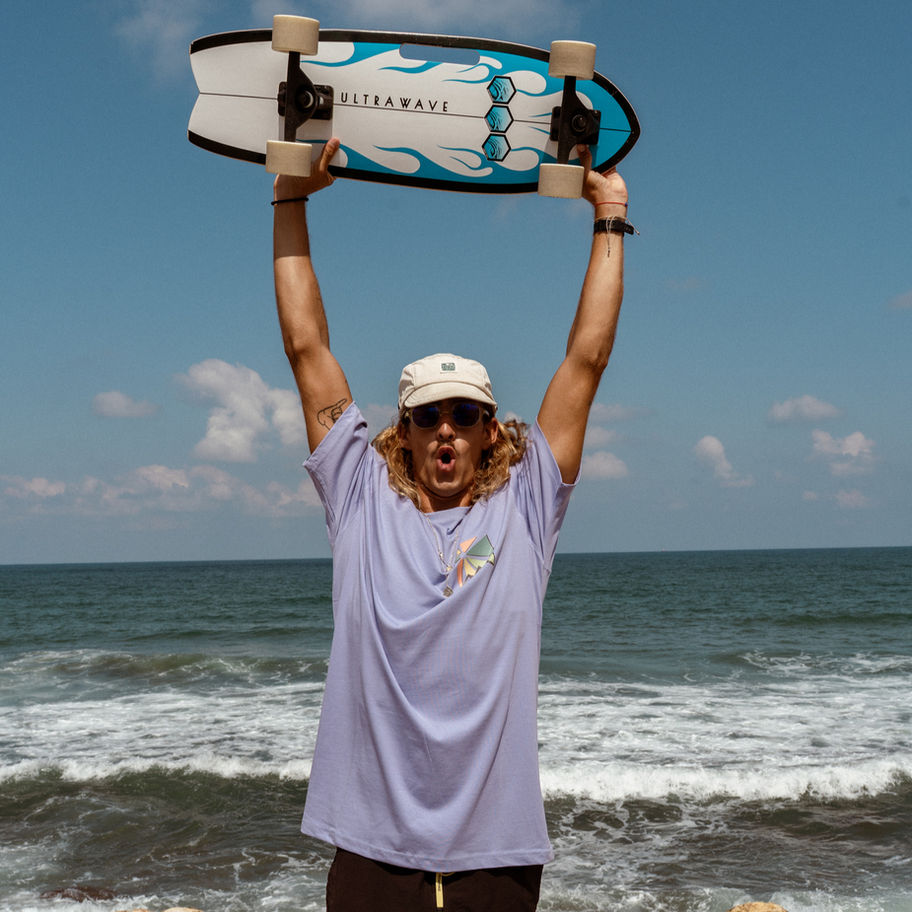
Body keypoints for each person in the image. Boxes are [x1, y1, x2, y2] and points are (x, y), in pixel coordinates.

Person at [273, 136, 631, 911]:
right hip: (371, 852)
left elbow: (586, 362)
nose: (446, 430)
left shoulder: (527, 508)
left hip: (494, 860)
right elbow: (307, 349)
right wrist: (290, 200)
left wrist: (610, 217)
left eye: (464, 415)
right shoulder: (361, 497)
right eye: (426, 416)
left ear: (490, 431)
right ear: (400, 432)